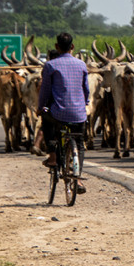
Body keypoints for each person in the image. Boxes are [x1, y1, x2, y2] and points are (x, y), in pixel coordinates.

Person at [38, 33, 90, 193]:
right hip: (79, 113)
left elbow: (45, 91)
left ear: (56, 47)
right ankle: (78, 178)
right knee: (79, 144)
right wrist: (84, 103)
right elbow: (86, 90)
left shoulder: (50, 66)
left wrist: (40, 108)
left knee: (47, 124)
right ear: (72, 47)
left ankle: (53, 156)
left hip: (58, 113)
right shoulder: (82, 65)